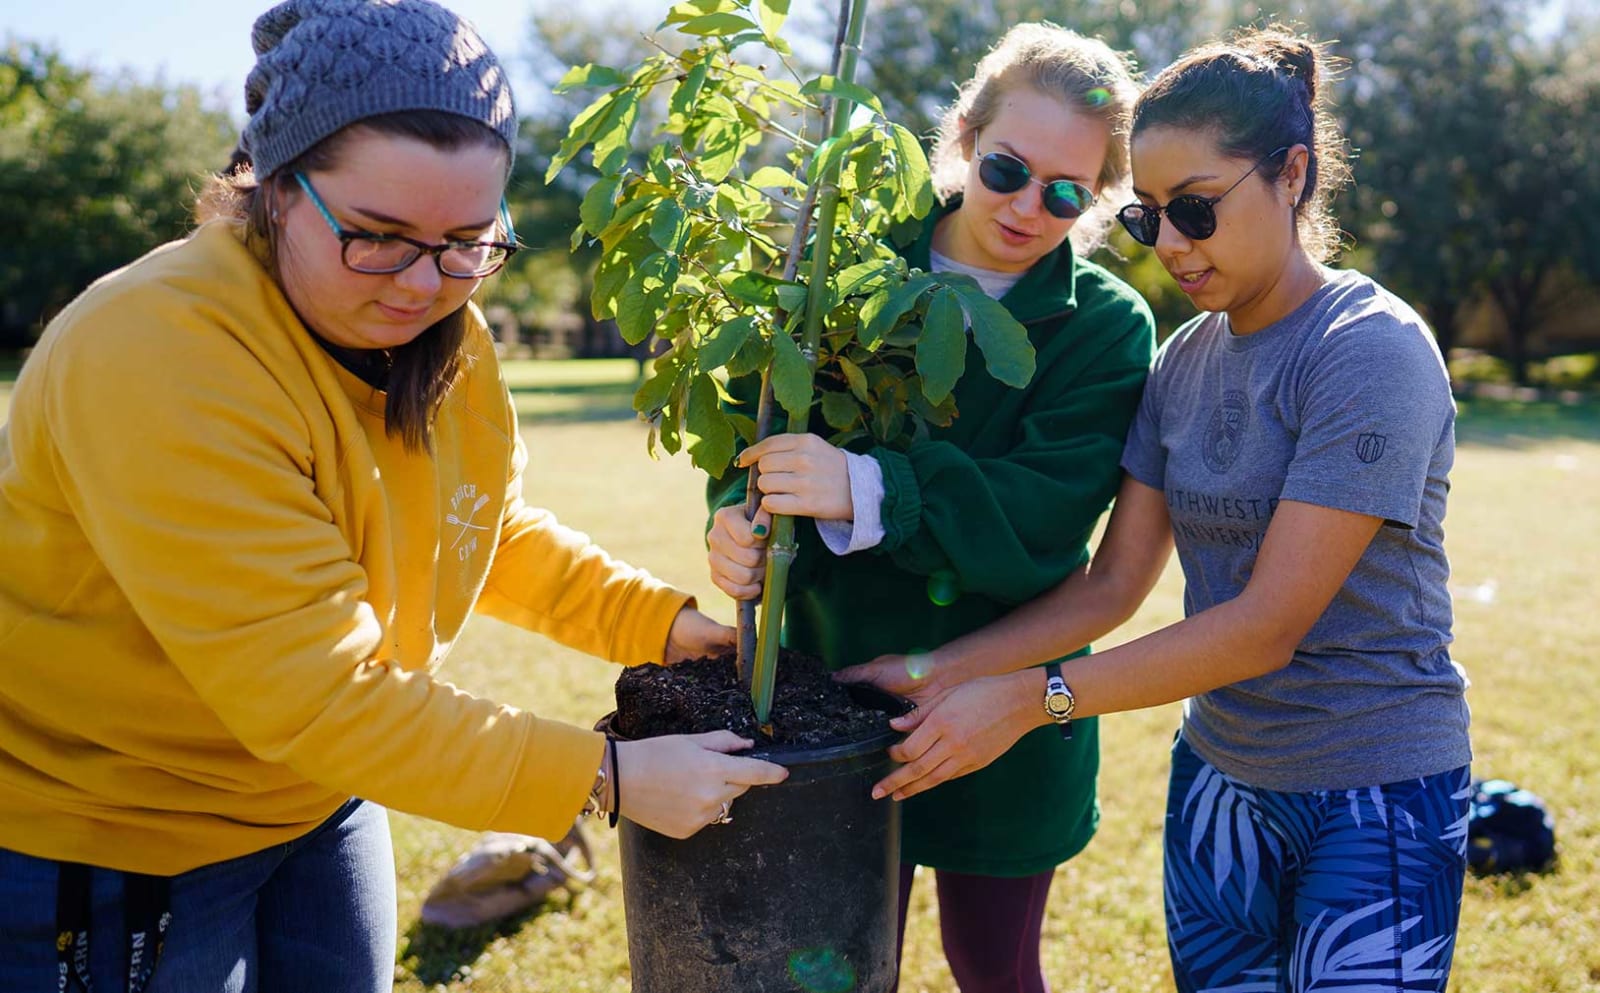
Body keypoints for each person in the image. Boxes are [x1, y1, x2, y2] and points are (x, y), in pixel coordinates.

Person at [0, 2, 786, 991]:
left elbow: (480, 531)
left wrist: (667, 628)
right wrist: (608, 777)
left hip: (318, 793)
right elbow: (316, 689)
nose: (425, 284)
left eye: (469, 239)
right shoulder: (157, 353)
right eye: (378, 237)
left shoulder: (439, 329)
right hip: (116, 829)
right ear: (273, 187)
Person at [838, 26, 1473, 993]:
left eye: (1196, 210)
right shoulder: (1181, 363)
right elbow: (1109, 587)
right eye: (1147, 218)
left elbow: (1265, 627)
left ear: (1291, 173)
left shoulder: (1366, 349)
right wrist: (931, 671)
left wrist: (1029, 698)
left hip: (1372, 784)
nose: (1171, 244)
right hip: (1221, 779)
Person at [707, 24, 1153, 993]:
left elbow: (1038, 524)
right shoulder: (845, 266)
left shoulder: (1109, 329)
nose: (1029, 207)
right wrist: (731, 518)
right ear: (963, 134)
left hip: (998, 713)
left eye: (1067, 192)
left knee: (991, 964)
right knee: (833, 962)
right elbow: (756, 421)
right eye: (1006, 168)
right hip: (829, 689)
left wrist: (872, 488)